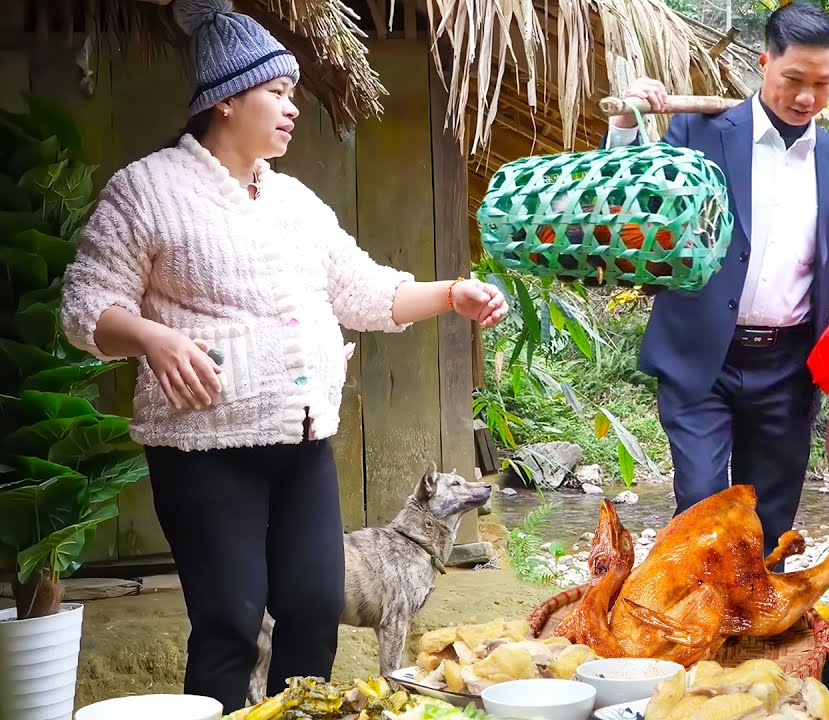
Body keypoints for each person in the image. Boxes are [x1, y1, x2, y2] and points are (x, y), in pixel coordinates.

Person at [58, 0, 508, 710]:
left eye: (292, 93)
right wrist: (153, 336)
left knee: (313, 606)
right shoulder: (147, 190)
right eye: (277, 93)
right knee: (232, 623)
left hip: (301, 446)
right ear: (227, 100)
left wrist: (451, 293)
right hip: (203, 451)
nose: (292, 108)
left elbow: (368, 293)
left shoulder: (296, 203)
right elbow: (87, 309)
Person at [604, 1, 829, 560]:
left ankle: (757, 639)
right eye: (793, 80)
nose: (806, 97)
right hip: (701, 356)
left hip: (789, 366)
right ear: (764, 63)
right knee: (702, 504)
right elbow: (632, 204)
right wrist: (629, 124)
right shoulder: (700, 132)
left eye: (822, 84)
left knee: (771, 522)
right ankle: (692, 629)